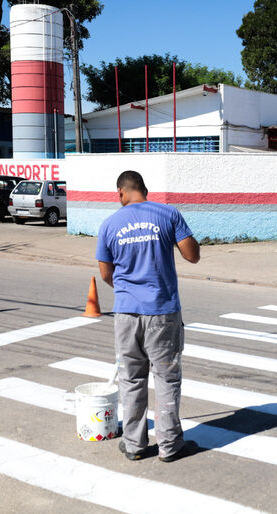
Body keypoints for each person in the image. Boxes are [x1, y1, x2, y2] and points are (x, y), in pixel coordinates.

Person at [96, 170, 201, 462]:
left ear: (121, 193)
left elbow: (106, 273)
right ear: (144, 189)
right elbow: (192, 255)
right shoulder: (168, 214)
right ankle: (169, 446)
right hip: (162, 312)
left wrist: (128, 289)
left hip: (126, 314)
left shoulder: (109, 224)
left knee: (131, 379)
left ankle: (134, 445)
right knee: (166, 379)